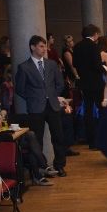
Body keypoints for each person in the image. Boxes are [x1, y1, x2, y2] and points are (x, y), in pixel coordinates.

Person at [14, 34, 69, 177]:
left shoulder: (51, 64)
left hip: (53, 105)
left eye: (45, 46)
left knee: (58, 136)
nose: (44, 49)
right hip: (35, 107)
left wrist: (53, 95)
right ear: (33, 47)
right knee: (37, 139)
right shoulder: (24, 67)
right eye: (41, 46)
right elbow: (19, 88)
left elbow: (60, 83)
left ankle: (60, 165)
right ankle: (40, 168)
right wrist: (32, 98)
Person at [72, 24, 104, 149]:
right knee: (102, 110)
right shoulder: (94, 46)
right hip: (96, 83)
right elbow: (97, 65)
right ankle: (102, 138)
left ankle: (91, 141)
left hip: (84, 83)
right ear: (95, 34)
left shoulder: (77, 46)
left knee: (88, 112)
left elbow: (75, 64)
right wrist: (104, 68)